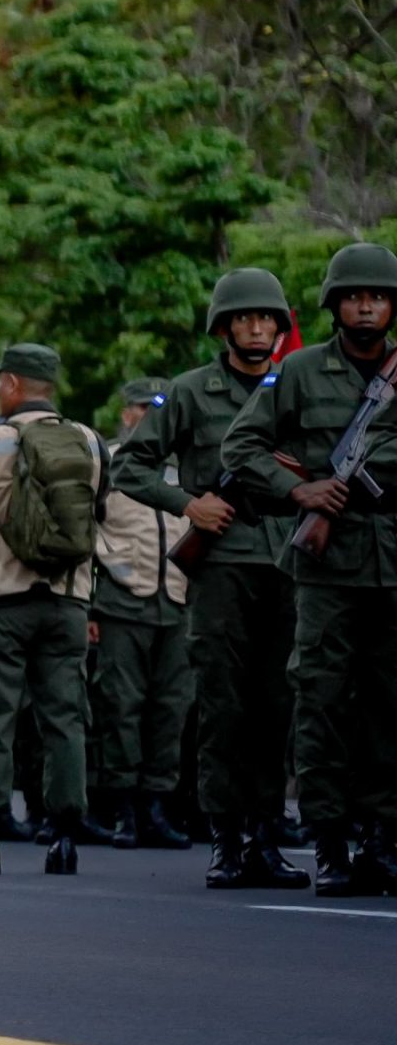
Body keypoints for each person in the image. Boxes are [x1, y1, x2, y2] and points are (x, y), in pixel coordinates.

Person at [114, 269, 306, 888]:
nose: (256, 328)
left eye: (267, 318)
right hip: (219, 564)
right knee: (223, 705)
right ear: (223, 327)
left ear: (280, 327)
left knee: (276, 707)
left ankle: (267, 837)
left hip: (285, 561)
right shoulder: (190, 392)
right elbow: (129, 467)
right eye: (244, 318)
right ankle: (226, 839)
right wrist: (186, 504)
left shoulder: (298, 387)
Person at [221, 241, 397, 897]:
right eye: (354, 295)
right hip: (328, 569)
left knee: (390, 708)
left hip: (393, 565)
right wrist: (299, 491)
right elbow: (242, 445)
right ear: (334, 304)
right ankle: (329, 843)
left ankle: (383, 841)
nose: (366, 305)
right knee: (320, 703)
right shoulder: (296, 372)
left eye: (378, 296)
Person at [0, 344, 106, 876]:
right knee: (65, 718)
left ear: (10, 384)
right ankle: (64, 837)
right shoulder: (90, 442)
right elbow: (95, 512)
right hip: (67, 599)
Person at [91, 376, 193, 851]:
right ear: (125, 412)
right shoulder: (105, 461)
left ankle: (157, 804)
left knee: (170, 709)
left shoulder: (186, 466)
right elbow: (84, 530)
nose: (147, 416)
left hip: (176, 601)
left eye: (158, 408)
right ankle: (123, 808)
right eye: (139, 408)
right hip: (121, 601)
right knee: (120, 707)